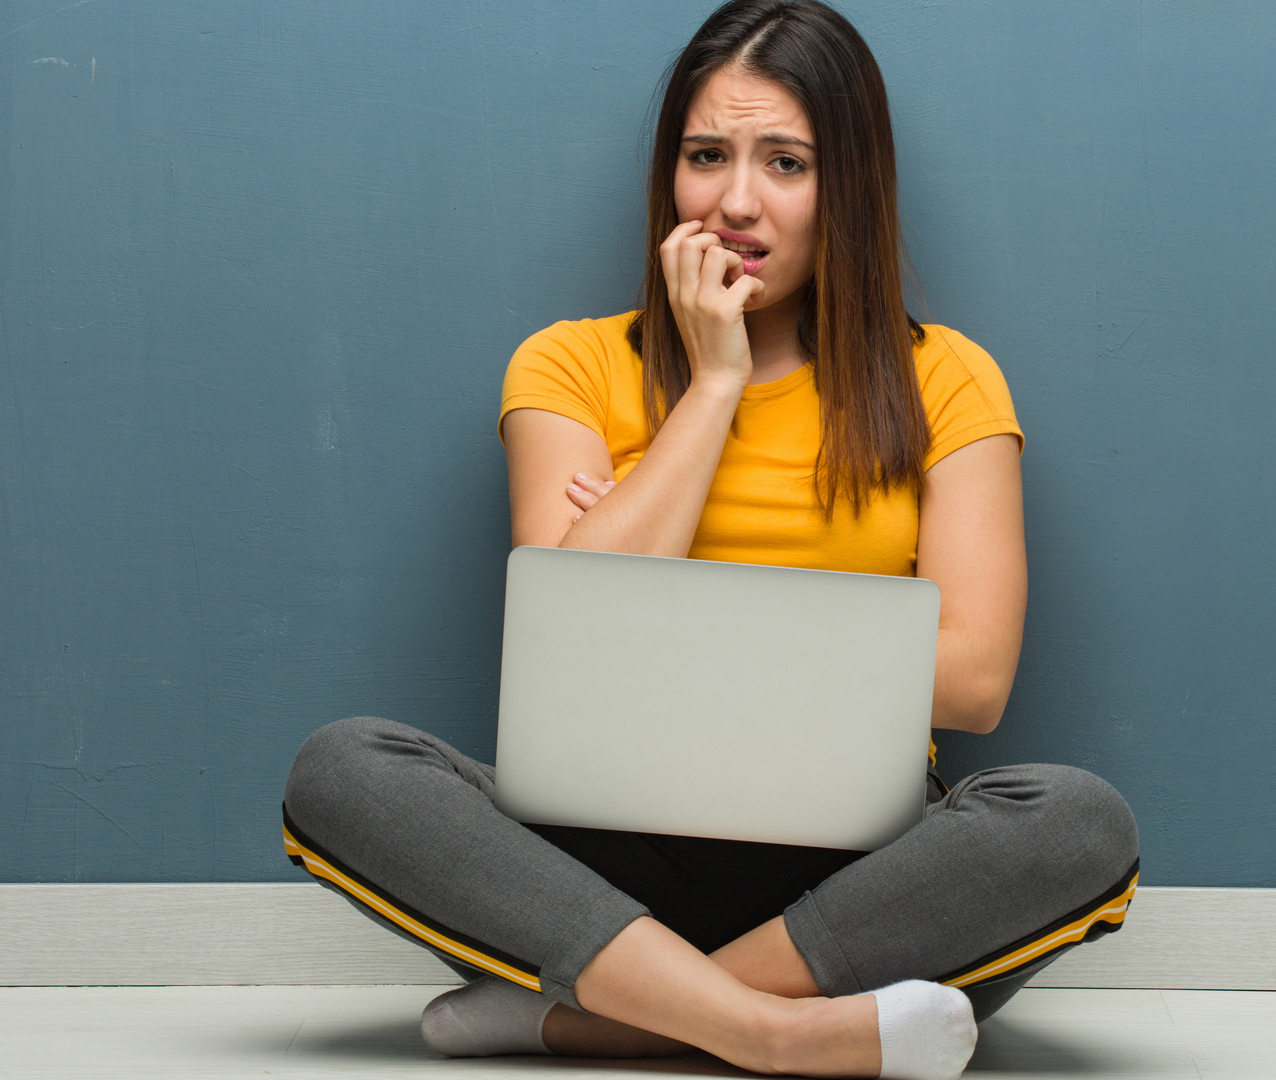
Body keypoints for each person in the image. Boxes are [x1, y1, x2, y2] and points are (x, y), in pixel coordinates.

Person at [281, 2, 1138, 1077]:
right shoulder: (569, 366)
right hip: (599, 862)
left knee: (1076, 825)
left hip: (851, 873)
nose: (737, 201)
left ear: (848, 188)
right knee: (342, 772)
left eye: (786, 161)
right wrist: (715, 382)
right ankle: (775, 1032)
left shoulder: (946, 379)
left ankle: (593, 1015)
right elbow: (575, 638)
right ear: (669, 177)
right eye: (706, 156)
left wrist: (649, 556)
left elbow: (971, 682)